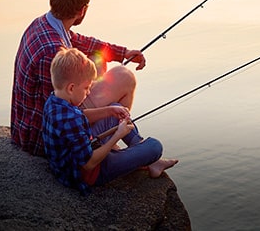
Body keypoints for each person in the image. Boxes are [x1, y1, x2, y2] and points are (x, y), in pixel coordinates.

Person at [11, 0, 146, 157]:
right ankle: (107, 145)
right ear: (82, 10)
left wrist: (122, 53)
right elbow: (58, 112)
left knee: (97, 60)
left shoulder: (44, 23)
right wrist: (108, 110)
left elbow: (81, 41)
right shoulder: (52, 52)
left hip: (28, 125)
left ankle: (113, 140)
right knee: (125, 77)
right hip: (40, 138)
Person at [42, 48, 178, 194]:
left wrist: (109, 111)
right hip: (90, 174)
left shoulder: (54, 101)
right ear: (71, 88)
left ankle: (143, 155)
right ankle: (150, 160)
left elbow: (80, 116)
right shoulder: (70, 119)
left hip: (76, 157)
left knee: (116, 107)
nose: (88, 92)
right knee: (155, 146)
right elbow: (89, 164)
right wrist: (117, 136)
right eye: (87, 88)